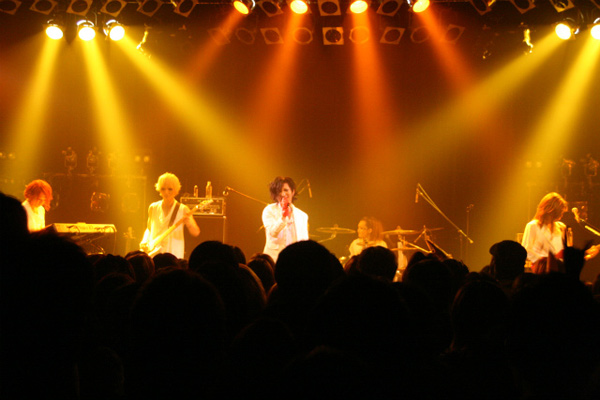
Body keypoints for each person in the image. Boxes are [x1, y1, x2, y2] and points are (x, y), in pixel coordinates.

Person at [140, 172, 200, 259]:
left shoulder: (183, 209)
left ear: (176, 190)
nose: (166, 192)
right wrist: (144, 241)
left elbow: (196, 232)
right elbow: (149, 228)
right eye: (163, 189)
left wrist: (189, 223)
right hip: (154, 253)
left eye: (170, 189)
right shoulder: (153, 207)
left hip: (173, 254)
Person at [262, 176, 309, 262]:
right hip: (274, 259)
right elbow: (272, 232)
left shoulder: (302, 215)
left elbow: (304, 240)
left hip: (295, 259)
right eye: (279, 191)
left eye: (286, 190)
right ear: (275, 194)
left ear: (293, 191)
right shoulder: (269, 210)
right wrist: (283, 216)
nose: (283, 194)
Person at [521, 192, 567, 274]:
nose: (562, 213)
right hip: (541, 270)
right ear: (551, 209)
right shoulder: (533, 225)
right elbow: (526, 250)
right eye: (561, 210)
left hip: (560, 270)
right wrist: (543, 260)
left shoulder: (561, 227)